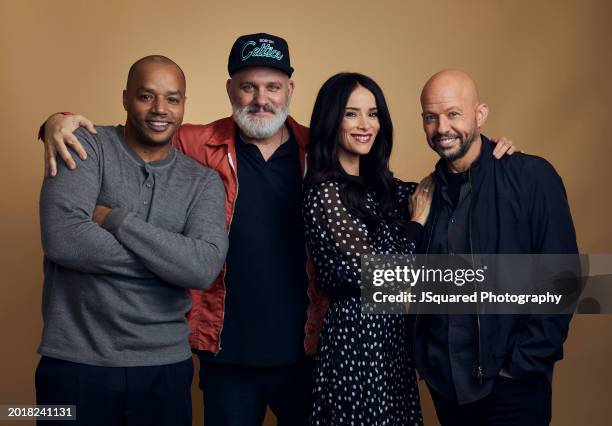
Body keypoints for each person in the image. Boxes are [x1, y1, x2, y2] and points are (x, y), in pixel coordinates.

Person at [38, 36, 516, 423]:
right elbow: (137, 131)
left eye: (272, 85)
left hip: (310, 352)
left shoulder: (320, 152)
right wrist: (55, 123)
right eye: (248, 86)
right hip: (225, 354)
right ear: (230, 90)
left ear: (290, 89)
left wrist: (494, 158)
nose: (260, 98)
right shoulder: (194, 143)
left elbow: (422, 205)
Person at [36, 55, 228, 426]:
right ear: (125, 98)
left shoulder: (202, 181)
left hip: (164, 369)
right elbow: (63, 239)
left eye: (172, 99)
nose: (160, 109)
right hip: (72, 363)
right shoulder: (84, 145)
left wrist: (116, 219)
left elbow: (203, 267)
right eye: (146, 96)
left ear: (184, 104)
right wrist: (170, 261)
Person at [413, 69, 578, 425]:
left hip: (511, 389)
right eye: (431, 117)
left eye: (454, 113)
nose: (442, 128)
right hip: (447, 388)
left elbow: (562, 278)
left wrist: (520, 364)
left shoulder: (531, 177)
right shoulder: (424, 196)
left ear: (480, 114)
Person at [303, 72, 433, 425]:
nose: (365, 124)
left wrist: (491, 152)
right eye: (351, 113)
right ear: (331, 119)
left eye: (373, 114)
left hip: (392, 340)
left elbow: (436, 187)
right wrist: (415, 227)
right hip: (356, 342)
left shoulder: (381, 187)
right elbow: (380, 277)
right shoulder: (324, 192)